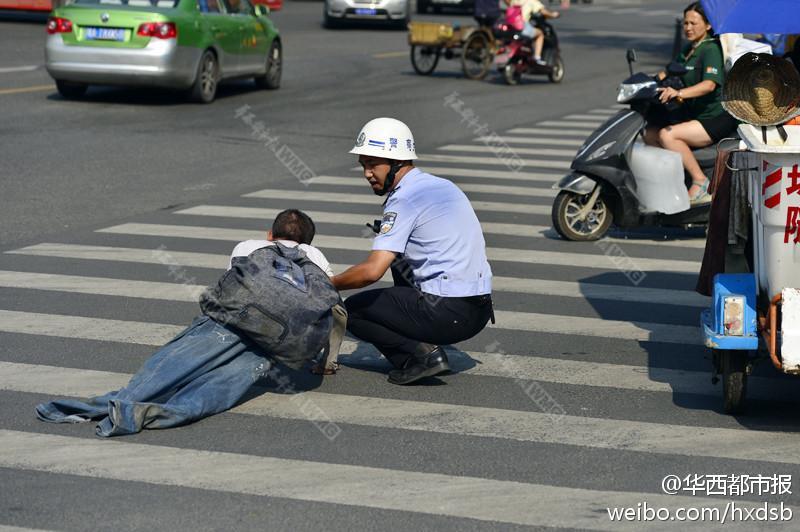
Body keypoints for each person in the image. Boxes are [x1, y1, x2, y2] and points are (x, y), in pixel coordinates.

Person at [36, 209, 343, 437]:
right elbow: (331, 308)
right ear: (308, 242)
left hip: (225, 326)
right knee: (216, 391)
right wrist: (326, 362)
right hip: (274, 344)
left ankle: (117, 403)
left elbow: (233, 287)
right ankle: (150, 414)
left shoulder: (248, 246)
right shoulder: (315, 257)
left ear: (269, 235)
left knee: (168, 368)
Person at [331, 118, 494, 385]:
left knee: (353, 310)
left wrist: (328, 284)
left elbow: (371, 272)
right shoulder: (442, 186)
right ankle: (422, 339)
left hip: (448, 314)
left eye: (372, 164)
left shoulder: (404, 199)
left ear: (396, 162)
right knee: (399, 258)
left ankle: (422, 357)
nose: (367, 174)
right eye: (363, 165)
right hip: (480, 310)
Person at [644, 1, 738, 204]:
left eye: (693, 23)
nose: (688, 27)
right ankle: (670, 181)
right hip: (693, 114)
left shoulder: (711, 49)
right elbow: (668, 71)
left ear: (708, 25)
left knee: (667, 135)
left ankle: (700, 181)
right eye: (685, 23)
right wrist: (644, 84)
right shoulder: (689, 49)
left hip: (713, 117)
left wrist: (679, 93)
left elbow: (709, 85)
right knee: (650, 134)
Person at [504, 0, 559, 66]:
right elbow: (544, 12)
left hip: (510, 26)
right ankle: (537, 57)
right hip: (521, 25)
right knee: (540, 34)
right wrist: (554, 15)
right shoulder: (532, 1)